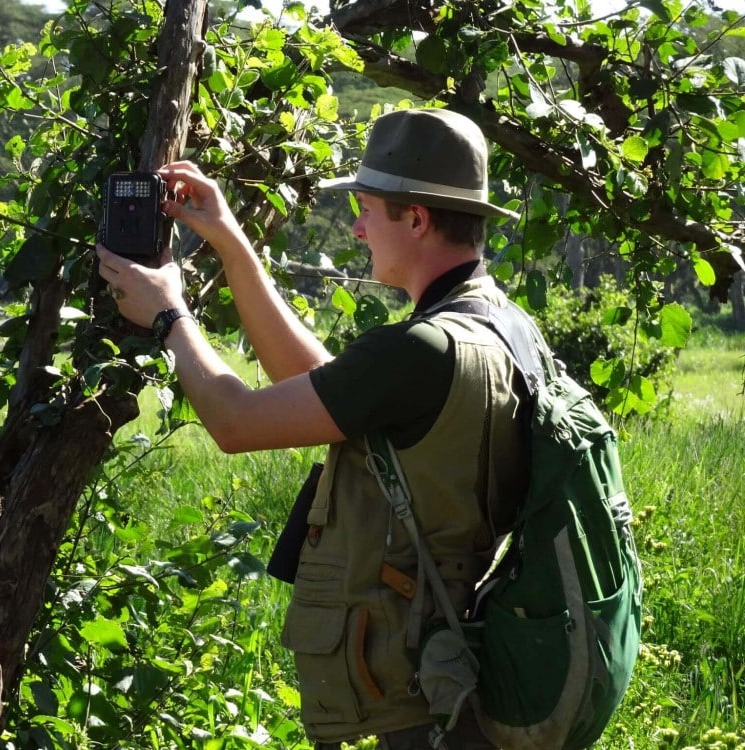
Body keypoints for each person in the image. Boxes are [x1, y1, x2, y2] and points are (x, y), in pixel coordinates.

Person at [96, 107, 529, 749]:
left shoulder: (420, 350)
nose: (356, 229)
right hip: (458, 669)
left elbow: (236, 423)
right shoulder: (498, 324)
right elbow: (332, 391)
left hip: (414, 694)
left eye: (366, 209)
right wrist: (231, 243)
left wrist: (169, 316)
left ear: (416, 218)